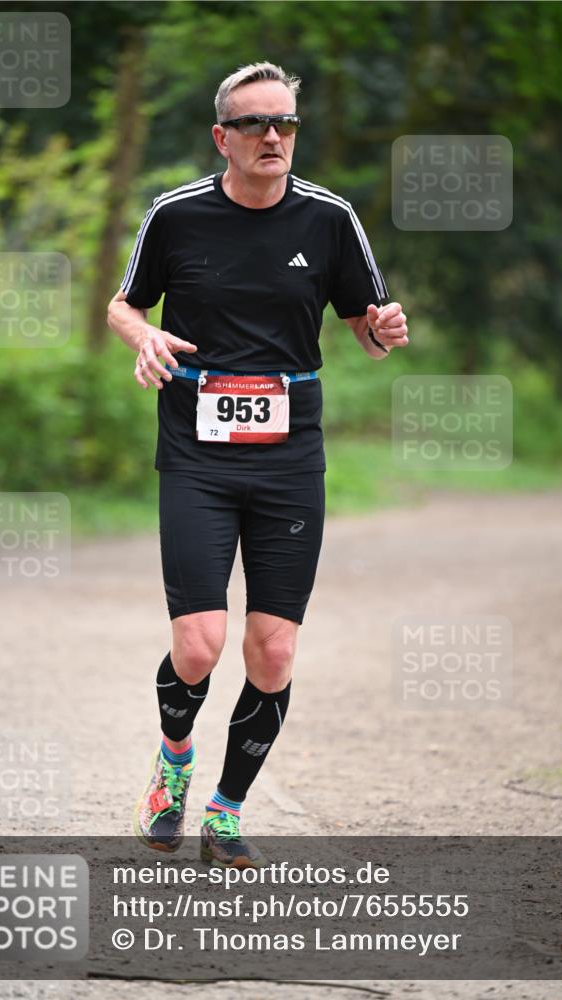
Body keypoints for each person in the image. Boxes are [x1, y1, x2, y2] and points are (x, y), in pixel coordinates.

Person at [107, 61, 409, 869]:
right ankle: (173, 763)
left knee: (271, 650)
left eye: (285, 124)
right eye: (254, 125)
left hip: (288, 458)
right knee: (201, 644)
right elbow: (122, 303)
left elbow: (364, 324)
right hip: (197, 453)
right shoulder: (175, 216)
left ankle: (227, 810)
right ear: (222, 137)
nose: (273, 137)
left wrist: (382, 328)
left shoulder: (330, 219)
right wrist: (146, 339)